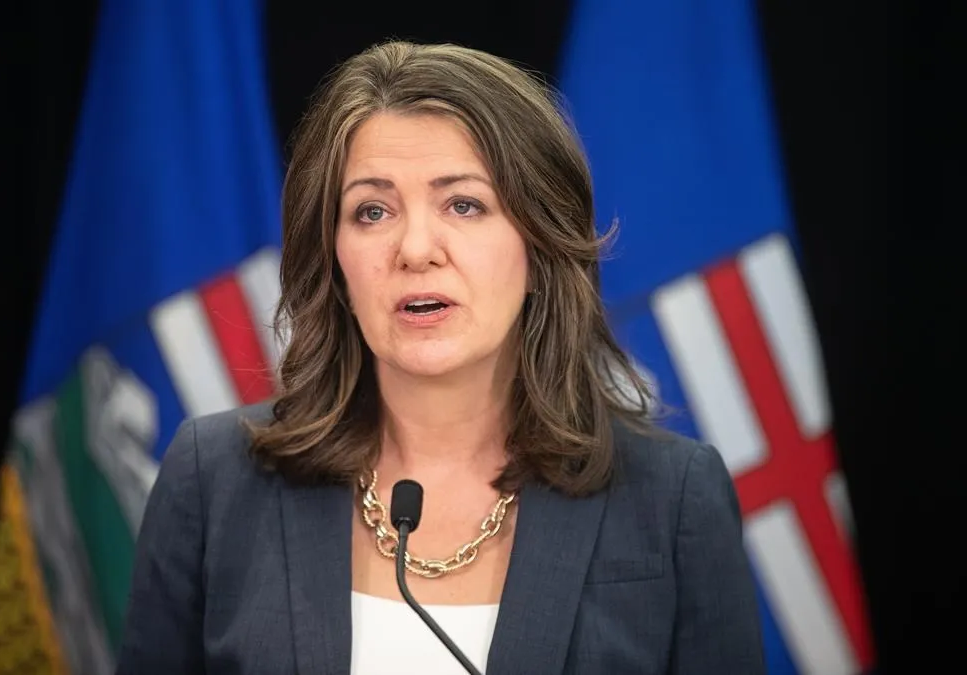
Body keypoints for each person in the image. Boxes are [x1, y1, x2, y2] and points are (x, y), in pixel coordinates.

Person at [116, 40, 765, 674]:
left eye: (464, 204)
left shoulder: (673, 500)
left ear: (540, 249)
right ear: (336, 260)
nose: (415, 247)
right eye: (372, 210)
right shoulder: (215, 480)